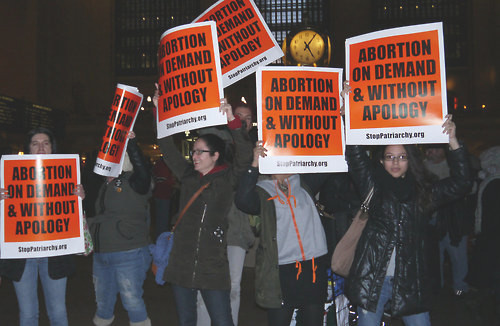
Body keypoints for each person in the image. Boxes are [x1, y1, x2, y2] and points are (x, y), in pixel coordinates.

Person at [344, 115, 472, 325]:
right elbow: (356, 156)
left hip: (411, 283)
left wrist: (453, 142)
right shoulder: (373, 187)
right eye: (390, 156)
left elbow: (462, 182)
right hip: (372, 280)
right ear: (381, 160)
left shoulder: (423, 192)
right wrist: (350, 115)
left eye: (402, 157)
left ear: (410, 160)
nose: (395, 162)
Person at [154, 89, 253, 326]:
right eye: (194, 151)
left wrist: (233, 122)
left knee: (222, 321)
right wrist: (159, 112)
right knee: (187, 321)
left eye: (200, 152)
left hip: (213, 269)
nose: (194, 156)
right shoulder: (188, 177)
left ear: (215, 155)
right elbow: (166, 148)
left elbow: (245, 157)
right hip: (181, 266)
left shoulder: (227, 179)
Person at [234, 142, 329, 326]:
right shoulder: (263, 193)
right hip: (283, 271)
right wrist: (254, 164)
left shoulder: (305, 185)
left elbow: (330, 157)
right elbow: (242, 200)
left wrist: (340, 121)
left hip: (313, 268)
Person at [0, 127, 85, 326]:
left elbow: (73, 214)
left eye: (45, 143)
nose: (40, 147)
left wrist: (80, 198)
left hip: (55, 254)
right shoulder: (10, 175)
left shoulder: (66, 173)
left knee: (57, 312)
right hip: (22, 255)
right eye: (35, 143)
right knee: (28, 314)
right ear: (28, 148)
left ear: (52, 147)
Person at [196, 102, 256, 326]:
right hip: (210, 227)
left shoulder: (257, 147)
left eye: (248, 117)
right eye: (238, 116)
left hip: (236, 228)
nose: (243, 121)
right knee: (205, 286)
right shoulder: (217, 142)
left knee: (233, 287)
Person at [88, 131, 152, 326]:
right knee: (103, 303)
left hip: (129, 252)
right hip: (101, 254)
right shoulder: (102, 184)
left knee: (132, 301)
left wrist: (132, 144)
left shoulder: (135, 181)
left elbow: (142, 168)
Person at [424, 145, 472, 296]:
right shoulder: (421, 169)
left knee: (458, 257)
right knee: (433, 257)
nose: (431, 153)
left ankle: (460, 288)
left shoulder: (454, 167)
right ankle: (437, 288)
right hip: (430, 221)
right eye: (429, 150)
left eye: (435, 149)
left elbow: (466, 186)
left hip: (453, 220)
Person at [152, 157, 177, 239]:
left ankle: (159, 237)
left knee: (160, 218)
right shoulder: (164, 165)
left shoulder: (159, 164)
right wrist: (174, 183)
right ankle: (162, 239)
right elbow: (165, 180)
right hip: (164, 194)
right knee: (163, 219)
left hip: (158, 194)